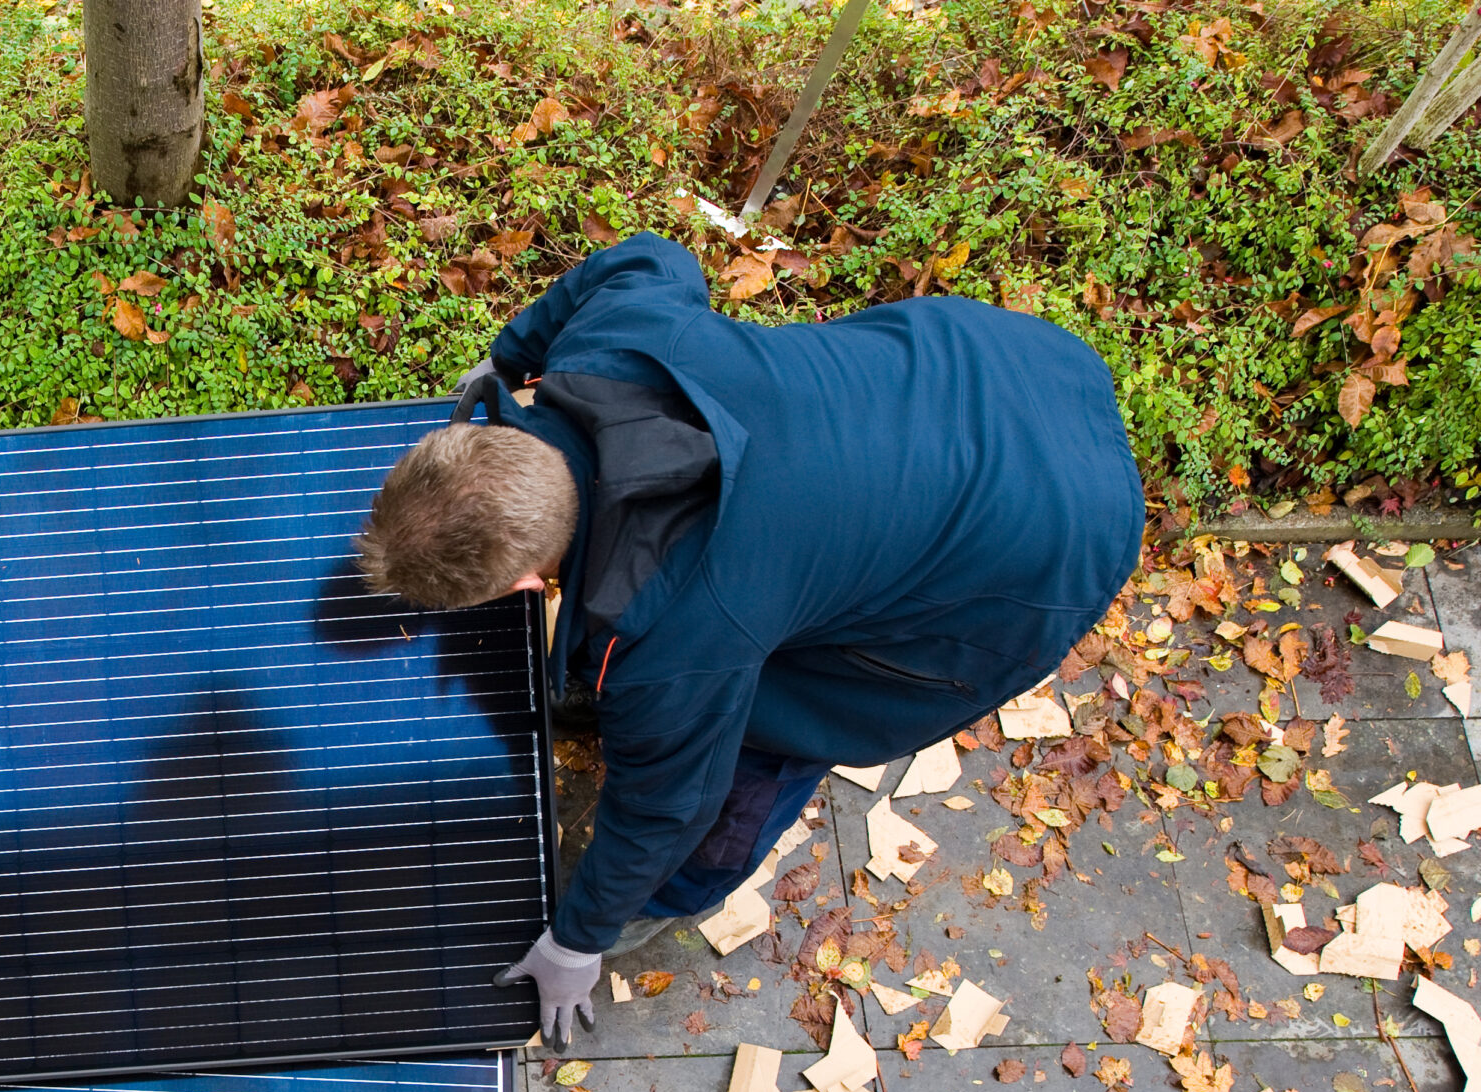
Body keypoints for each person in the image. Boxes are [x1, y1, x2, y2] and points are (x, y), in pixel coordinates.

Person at [356, 233, 1142, 1044]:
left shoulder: (675, 638)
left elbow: (666, 807)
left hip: (1044, 539)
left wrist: (576, 939)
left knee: (754, 751)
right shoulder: (607, 338)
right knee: (700, 681)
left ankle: (678, 896)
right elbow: (649, 258)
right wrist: (511, 352)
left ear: (527, 585)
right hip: (997, 361)